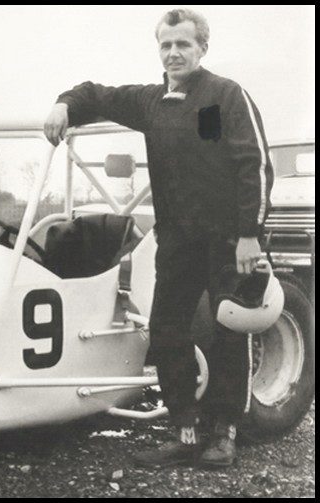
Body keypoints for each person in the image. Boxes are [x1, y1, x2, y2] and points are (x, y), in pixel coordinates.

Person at [43, 8, 273, 468]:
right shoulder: (149, 102)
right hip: (177, 240)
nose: (173, 53)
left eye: (183, 44)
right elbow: (96, 93)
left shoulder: (225, 96)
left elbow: (256, 167)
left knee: (230, 330)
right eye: (166, 45)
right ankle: (186, 433)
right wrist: (64, 104)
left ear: (202, 48)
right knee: (167, 330)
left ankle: (224, 433)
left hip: (228, 240)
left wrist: (250, 235)